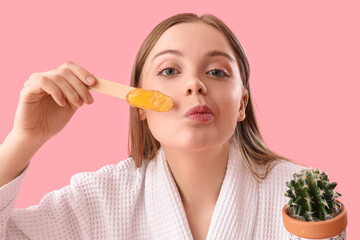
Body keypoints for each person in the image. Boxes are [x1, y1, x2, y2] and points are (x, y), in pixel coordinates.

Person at [0, 13, 305, 239]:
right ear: (139, 105)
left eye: (216, 71)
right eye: (170, 70)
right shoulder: (98, 200)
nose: (194, 84)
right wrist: (24, 139)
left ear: (242, 103)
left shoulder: (299, 193)